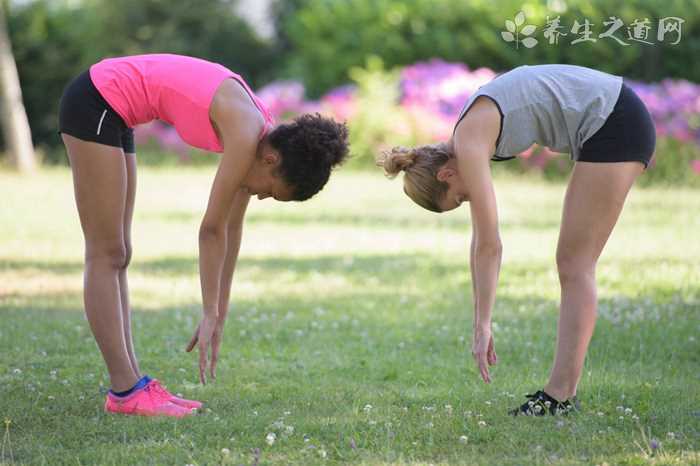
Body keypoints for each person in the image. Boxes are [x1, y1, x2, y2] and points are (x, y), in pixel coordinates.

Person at [58, 54, 348, 417]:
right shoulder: (246, 134)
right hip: (96, 100)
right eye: (271, 191)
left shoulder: (262, 138)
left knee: (121, 252)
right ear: (271, 161)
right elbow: (211, 229)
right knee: (107, 252)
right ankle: (125, 388)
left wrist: (219, 312)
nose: (261, 196)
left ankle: (133, 384)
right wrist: (208, 310)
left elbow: (232, 228)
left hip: (116, 110)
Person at [377, 64, 655, 416]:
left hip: (615, 121)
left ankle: (559, 397)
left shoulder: (470, 141)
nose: (467, 201)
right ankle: (560, 395)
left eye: (458, 199)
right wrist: (480, 317)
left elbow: (490, 244)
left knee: (575, 265)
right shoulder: (468, 133)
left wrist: (482, 324)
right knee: (573, 264)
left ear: (446, 174)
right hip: (611, 118)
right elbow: (481, 241)